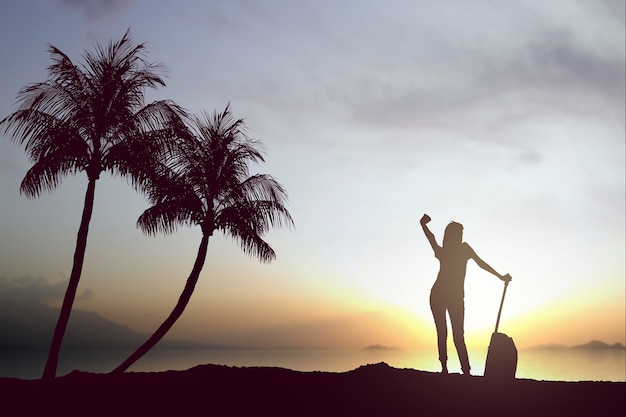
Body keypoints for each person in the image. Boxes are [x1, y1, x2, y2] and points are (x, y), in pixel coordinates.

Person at [420, 213, 511, 376]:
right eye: (459, 233)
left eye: (462, 233)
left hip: (455, 297)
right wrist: (423, 225)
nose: (461, 236)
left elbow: (481, 263)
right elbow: (431, 238)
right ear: (452, 236)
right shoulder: (445, 251)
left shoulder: (464, 249)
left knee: (458, 335)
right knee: (442, 332)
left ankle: (466, 371)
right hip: (438, 295)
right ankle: (445, 369)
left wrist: (500, 276)